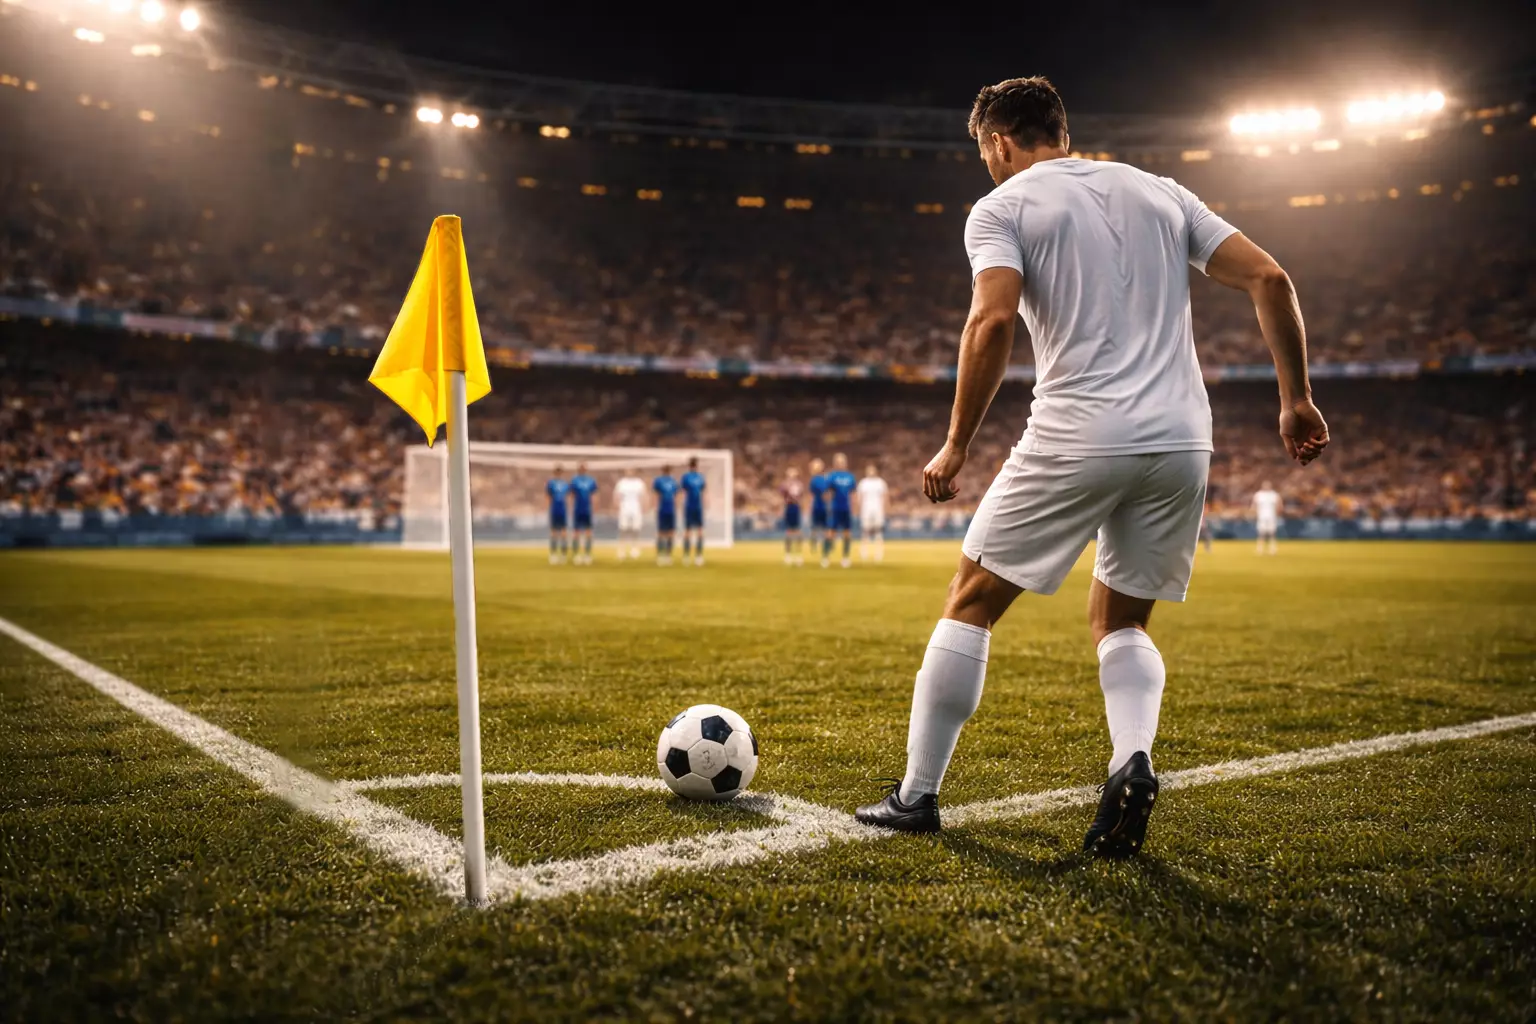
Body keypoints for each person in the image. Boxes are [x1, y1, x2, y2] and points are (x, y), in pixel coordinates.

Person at [854, 77, 1329, 858]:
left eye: (984, 152)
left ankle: (916, 796)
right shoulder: (1164, 192)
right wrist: (1296, 400)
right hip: (1182, 438)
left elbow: (991, 319)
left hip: (1078, 430)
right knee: (1121, 620)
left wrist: (957, 443)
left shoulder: (1001, 208)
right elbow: (1271, 278)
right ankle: (1131, 759)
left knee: (971, 600)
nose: (986, 165)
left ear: (1000, 142)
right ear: (1061, 131)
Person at [825, 453, 858, 568]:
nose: (841, 464)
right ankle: (826, 557)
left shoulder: (850, 477)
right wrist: (828, 504)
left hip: (846, 508)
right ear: (835, 463)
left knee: (847, 533)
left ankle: (845, 557)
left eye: (842, 461)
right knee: (831, 532)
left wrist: (855, 507)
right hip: (835, 508)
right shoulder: (831, 476)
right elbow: (827, 492)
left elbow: (853, 493)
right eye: (838, 462)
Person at [857, 463, 889, 562]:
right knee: (865, 532)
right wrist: (859, 509)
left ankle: (878, 553)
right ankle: (864, 553)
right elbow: (860, 498)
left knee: (878, 533)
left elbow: (885, 497)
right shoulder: (863, 483)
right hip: (866, 510)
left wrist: (885, 509)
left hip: (878, 510)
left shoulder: (880, 483)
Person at [568, 462, 598, 566]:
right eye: (581, 467)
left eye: (583, 467)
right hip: (577, 509)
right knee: (576, 532)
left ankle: (587, 555)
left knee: (588, 532)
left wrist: (594, 508)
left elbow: (594, 495)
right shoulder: (574, 480)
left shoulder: (591, 480)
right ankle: (576, 555)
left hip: (587, 509)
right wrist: (571, 508)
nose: (582, 469)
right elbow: (571, 495)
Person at [680, 456, 707, 567]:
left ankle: (696, 556)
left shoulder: (700, 477)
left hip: (695, 507)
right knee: (690, 531)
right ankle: (691, 556)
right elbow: (683, 492)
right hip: (691, 506)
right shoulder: (687, 477)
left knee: (696, 531)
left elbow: (703, 492)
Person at [614, 468, 646, 560]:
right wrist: (617, 506)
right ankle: (622, 550)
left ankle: (634, 549)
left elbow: (643, 496)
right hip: (624, 507)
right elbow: (617, 495)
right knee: (623, 528)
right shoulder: (621, 483)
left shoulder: (639, 483)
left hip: (636, 507)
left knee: (636, 528)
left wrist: (644, 506)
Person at [652, 466, 679, 565]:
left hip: (669, 509)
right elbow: (656, 495)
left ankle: (666, 556)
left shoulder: (673, 482)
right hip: (664, 509)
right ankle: (662, 555)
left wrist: (676, 508)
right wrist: (655, 507)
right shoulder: (659, 481)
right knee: (662, 533)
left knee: (668, 533)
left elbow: (676, 496)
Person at [807, 457, 830, 567]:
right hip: (822, 507)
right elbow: (825, 495)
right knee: (825, 531)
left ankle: (816, 545)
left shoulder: (815, 480)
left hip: (818, 507)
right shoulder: (823, 479)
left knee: (817, 529)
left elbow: (812, 495)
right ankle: (824, 554)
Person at [545, 466, 571, 565]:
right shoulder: (551, 483)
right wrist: (549, 508)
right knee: (554, 533)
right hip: (554, 510)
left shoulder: (565, 484)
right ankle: (553, 554)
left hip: (562, 510)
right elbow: (548, 496)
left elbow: (568, 497)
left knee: (563, 533)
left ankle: (563, 555)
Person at [782, 466, 805, 566]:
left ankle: (798, 554)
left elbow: (800, 496)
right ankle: (788, 554)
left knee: (797, 531)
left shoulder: (798, 485)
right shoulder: (786, 484)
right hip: (789, 507)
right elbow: (783, 495)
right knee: (789, 531)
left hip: (795, 507)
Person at [1253, 481, 1282, 554]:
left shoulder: (1274, 495)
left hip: (1271, 516)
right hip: (1261, 516)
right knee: (1261, 533)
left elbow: (1279, 505)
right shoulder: (1258, 494)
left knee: (1272, 533)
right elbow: (1254, 505)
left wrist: (1277, 514)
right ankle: (1260, 549)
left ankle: (1273, 549)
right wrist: (1256, 514)